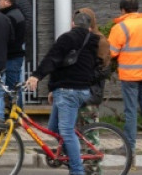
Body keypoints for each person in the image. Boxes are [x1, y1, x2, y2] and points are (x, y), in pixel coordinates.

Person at [26, 11, 98, 175]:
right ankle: (72, 157)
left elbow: (52, 58)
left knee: (66, 131)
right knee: (54, 128)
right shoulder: (93, 40)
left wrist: (36, 76)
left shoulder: (67, 38)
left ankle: (77, 170)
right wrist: (54, 88)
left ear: (73, 23)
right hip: (77, 89)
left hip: (68, 91)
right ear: (89, 26)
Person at [108, 0, 142, 155]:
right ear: (137, 8)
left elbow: (111, 52)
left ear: (122, 10)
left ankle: (129, 147)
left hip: (129, 75)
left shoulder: (120, 27)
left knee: (131, 111)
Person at [75, 7, 112, 128]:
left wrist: (83, 77)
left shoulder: (100, 41)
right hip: (75, 91)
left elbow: (104, 69)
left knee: (90, 130)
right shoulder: (77, 38)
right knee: (74, 130)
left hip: (91, 91)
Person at [0, 0, 26, 108]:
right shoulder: (15, 13)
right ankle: (17, 112)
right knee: (14, 86)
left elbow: (8, 38)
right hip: (14, 56)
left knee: (12, 88)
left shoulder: (11, 17)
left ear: (8, 2)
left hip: (12, 56)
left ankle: (16, 113)